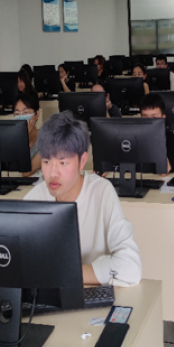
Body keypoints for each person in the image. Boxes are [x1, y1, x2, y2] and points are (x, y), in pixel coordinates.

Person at [24, 112, 142, 287]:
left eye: (63, 162)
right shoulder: (34, 198)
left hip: (90, 297)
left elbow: (131, 268)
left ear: (82, 161)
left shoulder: (101, 192)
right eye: (46, 161)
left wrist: (64, 274)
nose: (53, 173)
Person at [139, 93, 174, 175]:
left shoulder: (171, 139)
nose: (150, 121)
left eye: (154, 117)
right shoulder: (135, 138)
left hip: (164, 180)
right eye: (145, 117)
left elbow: (164, 171)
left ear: (163, 118)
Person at [13, 92, 42, 177]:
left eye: (26, 112)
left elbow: (26, 172)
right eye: (17, 113)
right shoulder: (11, 141)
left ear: (36, 115)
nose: (21, 117)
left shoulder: (47, 139)